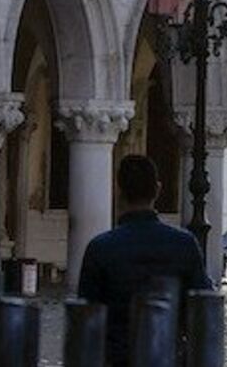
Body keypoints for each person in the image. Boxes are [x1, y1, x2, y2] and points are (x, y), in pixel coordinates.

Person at [78, 155, 213, 367]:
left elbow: (86, 319)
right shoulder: (184, 244)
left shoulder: (100, 248)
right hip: (168, 356)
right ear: (158, 190)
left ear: (119, 192)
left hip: (116, 359)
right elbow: (202, 310)